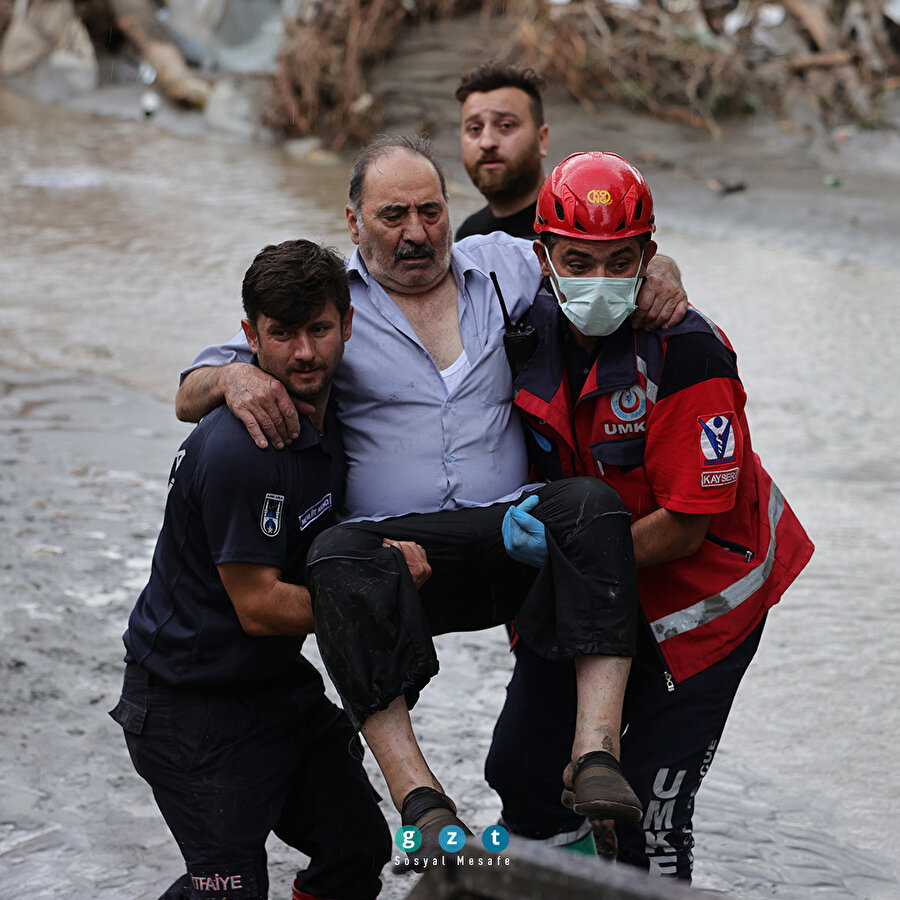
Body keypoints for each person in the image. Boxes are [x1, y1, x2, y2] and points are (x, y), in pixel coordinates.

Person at [174, 136, 691, 866]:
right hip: (397, 555)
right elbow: (189, 390)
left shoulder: (504, 264)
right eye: (393, 216)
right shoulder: (328, 307)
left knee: (591, 505)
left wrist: (663, 271)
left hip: (511, 534)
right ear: (354, 223)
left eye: (430, 211)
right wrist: (234, 379)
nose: (415, 233)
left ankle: (595, 756)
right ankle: (420, 799)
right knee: (333, 554)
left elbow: (602, 259)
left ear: (451, 210)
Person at [483, 152, 815, 879]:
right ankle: (567, 878)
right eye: (578, 262)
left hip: (701, 602)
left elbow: (689, 525)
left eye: (620, 262)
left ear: (647, 258)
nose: (598, 281)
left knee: (649, 815)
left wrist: (567, 564)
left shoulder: (687, 354)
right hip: (590, 577)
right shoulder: (523, 332)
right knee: (521, 772)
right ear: (543, 258)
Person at [109, 239, 392, 900]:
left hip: (273, 689)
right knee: (230, 891)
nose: (304, 352)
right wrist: (381, 592)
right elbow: (259, 607)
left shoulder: (337, 409)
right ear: (250, 336)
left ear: (348, 325)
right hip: (187, 705)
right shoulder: (242, 448)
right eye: (282, 333)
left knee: (358, 850)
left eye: (319, 329)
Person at [454, 62, 548, 241]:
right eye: (475, 128)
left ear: (542, 139)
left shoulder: (577, 228)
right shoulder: (469, 238)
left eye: (506, 125)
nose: (487, 142)